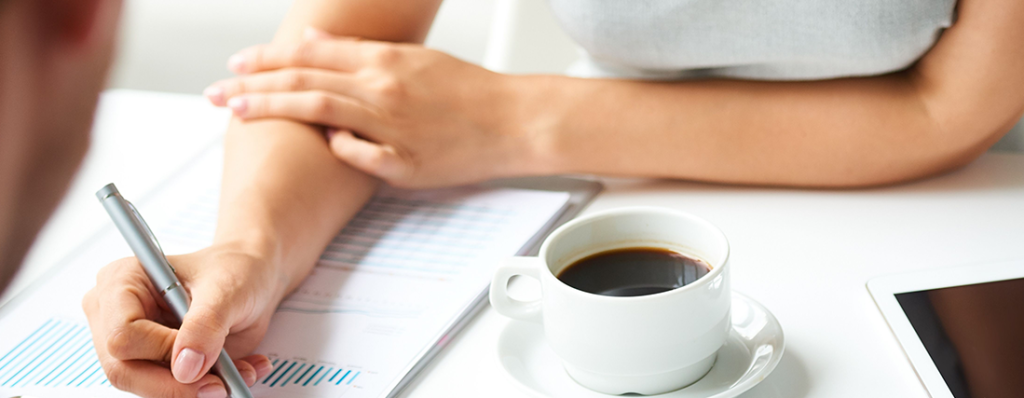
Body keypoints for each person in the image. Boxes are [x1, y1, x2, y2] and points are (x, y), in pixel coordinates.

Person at [83, 0, 1024, 397]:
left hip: (970, 221)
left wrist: (518, 119)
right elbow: (331, 54)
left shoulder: (519, 116)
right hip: (604, 183)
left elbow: (947, 110)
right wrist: (252, 250)